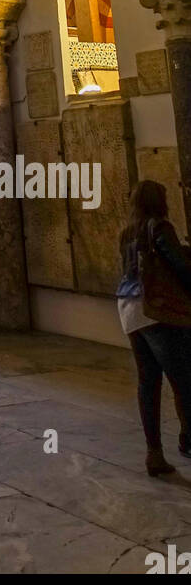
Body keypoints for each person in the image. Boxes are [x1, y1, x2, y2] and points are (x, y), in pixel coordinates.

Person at [117, 179, 191, 476]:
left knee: (149, 383)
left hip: (130, 309)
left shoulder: (127, 232)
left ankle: (154, 453)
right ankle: (188, 440)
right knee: (184, 380)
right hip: (158, 309)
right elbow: (180, 269)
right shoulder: (159, 227)